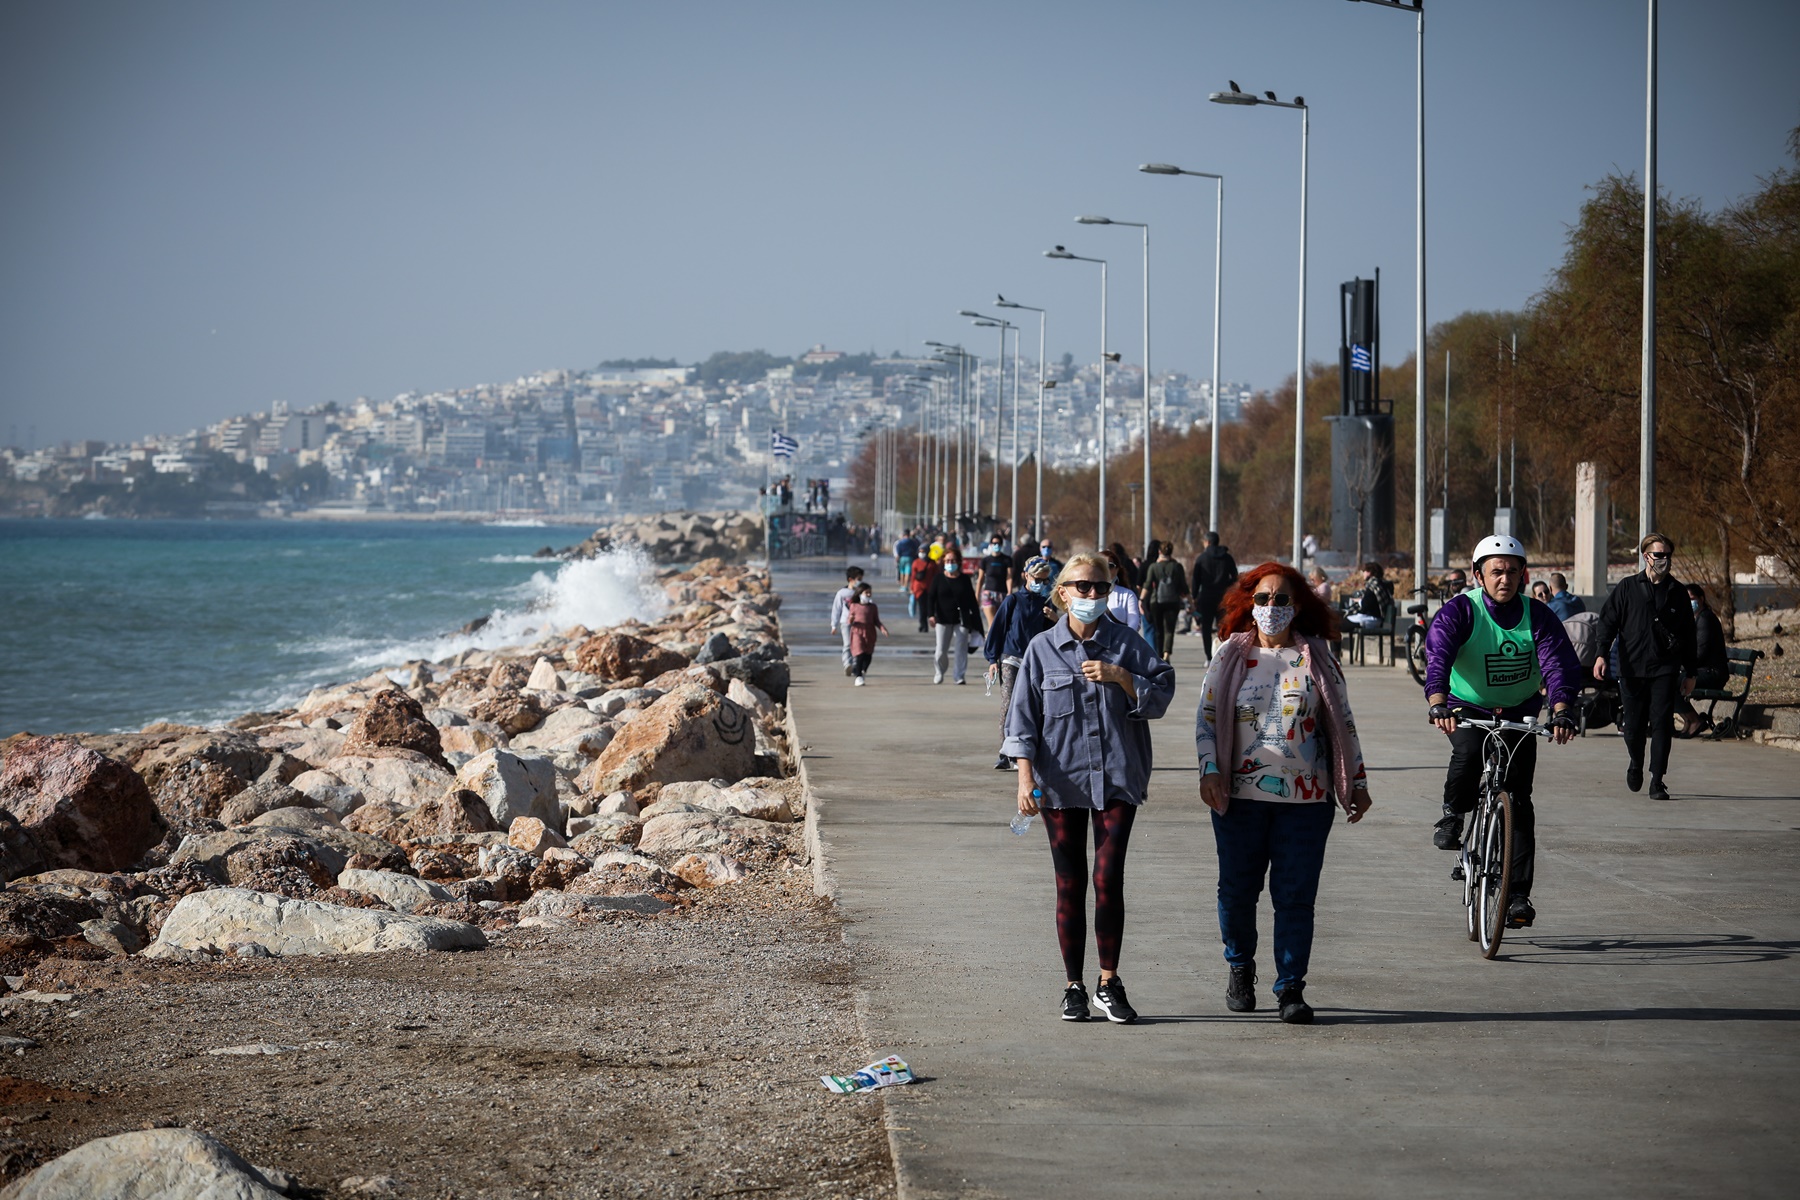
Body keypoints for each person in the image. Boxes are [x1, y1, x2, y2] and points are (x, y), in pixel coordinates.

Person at [1003, 553, 1177, 1024]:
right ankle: (1073, 986)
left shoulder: (1127, 643)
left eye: (1101, 587)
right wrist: (1025, 780)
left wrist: (1123, 677)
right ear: (1062, 593)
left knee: (1107, 878)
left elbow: (1162, 692)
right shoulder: (1041, 649)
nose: (1092, 595)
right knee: (1069, 882)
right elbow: (1021, 721)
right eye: (1083, 587)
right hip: (1060, 783)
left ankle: (1108, 981)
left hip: (1119, 778)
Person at [1196, 561, 1372, 1024]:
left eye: (1282, 599)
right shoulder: (1230, 654)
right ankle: (1240, 967)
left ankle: (1290, 987)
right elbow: (1208, 717)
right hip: (1238, 799)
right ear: (1248, 603)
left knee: (1295, 896)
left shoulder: (1318, 655)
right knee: (1237, 891)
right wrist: (1209, 769)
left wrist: (1356, 780)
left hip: (1307, 803)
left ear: (1298, 607)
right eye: (1263, 598)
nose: (1271, 607)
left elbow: (1344, 721)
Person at [1424, 534, 1581, 930]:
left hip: (1519, 711)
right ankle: (1452, 815)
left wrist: (1561, 710)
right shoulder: (1461, 610)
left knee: (1519, 801)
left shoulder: (1538, 615)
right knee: (1468, 753)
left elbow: (1557, 664)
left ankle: (1516, 896)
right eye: (1496, 572)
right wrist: (1437, 703)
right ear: (1479, 575)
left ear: (1523, 575)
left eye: (1513, 571)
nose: (1505, 579)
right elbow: (1438, 655)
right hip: (1467, 706)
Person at [1593, 533, 1698, 800]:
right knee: (1633, 726)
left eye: (1667, 555)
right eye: (1658, 554)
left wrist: (1691, 672)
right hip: (1632, 668)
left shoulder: (1677, 592)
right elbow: (1607, 623)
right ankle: (1635, 763)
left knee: (1662, 723)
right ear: (1646, 557)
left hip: (1665, 669)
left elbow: (1689, 635)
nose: (1664, 560)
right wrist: (1601, 654)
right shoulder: (1627, 588)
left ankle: (1657, 780)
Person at [985, 556, 1057, 768]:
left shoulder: (1046, 603)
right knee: (1009, 705)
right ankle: (1006, 753)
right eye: (1037, 579)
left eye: (1045, 580)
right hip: (1011, 658)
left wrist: (1055, 618)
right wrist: (992, 659)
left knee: (1034, 707)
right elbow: (997, 629)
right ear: (1026, 575)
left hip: (1036, 661)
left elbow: (1054, 635)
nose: (1041, 584)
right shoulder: (1013, 600)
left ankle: (1027, 752)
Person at [1676, 583, 1730, 736]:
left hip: (1712, 673)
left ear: (1701, 599)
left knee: (1671, 682)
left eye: (1692, 598)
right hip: (1702, 670)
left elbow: (1701, 653)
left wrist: (1683, 666)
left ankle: (1694, 720)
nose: (1689, 602)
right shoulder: (1695, 619)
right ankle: (1688, 721)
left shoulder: (1706, 619)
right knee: (1666, 680)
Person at [926, 553, 982, 685]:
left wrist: (976, 619)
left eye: (953, 560)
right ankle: (939, 672)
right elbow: (931, 598)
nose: (950, 563)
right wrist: (930, 615)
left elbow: (972, 601)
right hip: (942, 618)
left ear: (958, 562)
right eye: (948, 561)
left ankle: (959, 675)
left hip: (961, 619)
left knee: (961, 649)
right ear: (944, 562)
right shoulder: (938, 578)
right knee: (941, 650)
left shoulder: (964, 579)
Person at [1190, 531, 1238, 657]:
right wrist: (1228, 586)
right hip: (1223, 597)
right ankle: (1222, 653)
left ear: (1208, 542)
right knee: (1222, 626)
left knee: (1206, 627)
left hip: (1206, 596)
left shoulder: (1201, 558)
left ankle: (1208, 656)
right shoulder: (1227, 558)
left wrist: (1194, 596)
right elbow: (1235, 577)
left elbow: (1196, 579)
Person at [1139, 540, 1188, 660]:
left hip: (1156, 602)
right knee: (1169, 630)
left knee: (1158, 630)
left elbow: (1147, 585)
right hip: (1173, 602)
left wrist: (1141, 599)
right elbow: (1184, 587)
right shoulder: (1177, 567)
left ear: (1159, 551)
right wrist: (1190, 603)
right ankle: (1167, 653)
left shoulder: (1154, 567)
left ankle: (1159, 655)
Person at [845, 581, 889, 686]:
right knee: (859, 654)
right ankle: (858, 677)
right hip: (857, 632)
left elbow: (876, 621)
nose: (869, 595)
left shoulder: (873, 607)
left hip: (870, 632)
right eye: (866, 593)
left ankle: (863, 670)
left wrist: (882, 629)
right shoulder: (854, 606)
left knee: (868, 655)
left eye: (870, 593)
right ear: (860, 593)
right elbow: (849, 621)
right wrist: (851, 619)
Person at [827, 565, 866, 677]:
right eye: (858, 579)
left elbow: (867, 606)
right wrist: (833, 625)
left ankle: (855, 665)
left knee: (858, 644)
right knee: (848, 644)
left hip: (859, 622)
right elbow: (836, 609)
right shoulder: (842, 593)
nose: (860, 582)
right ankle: (847, 664)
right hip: (846, 622)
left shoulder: (862, 592)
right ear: (850, 579)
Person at [1101, 547, 1143, 633]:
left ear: (1117, 569)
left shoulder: (1127, 594)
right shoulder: (1087, 593)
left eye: (1110, 566)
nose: (1105, 569)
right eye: (1100, 565)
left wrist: (1124, 639)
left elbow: (1133, 622)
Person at [978, 537, 1014, 631]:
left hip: (1002, 593)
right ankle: (991, 643)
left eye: (998, 543)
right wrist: (977, 594)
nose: (996, 545)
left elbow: (1009, 577)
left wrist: (1010, 592)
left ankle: (997, 642)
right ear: (990, 545)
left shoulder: (1007, 560)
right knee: (992, 623)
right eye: (994, 543)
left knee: (1001, 623)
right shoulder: (986, 560)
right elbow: (980, 578)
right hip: (988, 593)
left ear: (1001, 545)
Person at [1344, 562, 1393, 629]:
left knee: (1336, 624)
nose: (1363, 574)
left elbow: (1365, 605)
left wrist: (1359, 601)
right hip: (1374, 619)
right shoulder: (1380, 585)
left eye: (1364, 571)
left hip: (1370, 619)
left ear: (1369, 572)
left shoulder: (1373, 586)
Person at [909, 547, 938, 632]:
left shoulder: (932, 563)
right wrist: (912, 588)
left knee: (930, 608)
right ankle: (923, 625)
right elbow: (913, 576)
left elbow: (936, 576)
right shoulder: (916, 562)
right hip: (919, 589)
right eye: (920, 551)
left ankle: (928, 623)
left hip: (930, 588)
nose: (922, 553)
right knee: (922, 608)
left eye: (923, 551)